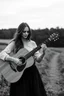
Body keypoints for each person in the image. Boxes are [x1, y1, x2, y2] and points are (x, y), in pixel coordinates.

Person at [0, 22, 47, 96]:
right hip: (18, 75)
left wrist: (43, 53)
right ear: (20, 32)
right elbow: (2, 54)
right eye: (24, 31)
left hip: (32, 74)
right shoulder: (14, 43)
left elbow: (38, 60)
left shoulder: (33, 43)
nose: (26, 33)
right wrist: (14, 59)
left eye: (28, 31)